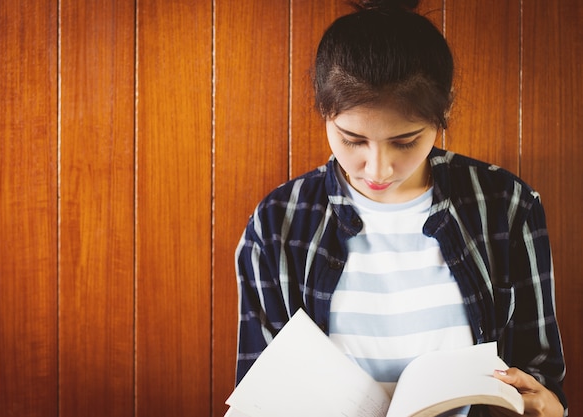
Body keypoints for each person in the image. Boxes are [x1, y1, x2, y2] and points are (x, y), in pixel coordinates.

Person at [234, 0, 567, 415]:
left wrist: (549, 405)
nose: (378, 168)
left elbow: (540, 375)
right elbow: (260, 392)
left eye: (405, 141)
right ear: (324, 113)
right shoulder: (278, 223)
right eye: (352, 140)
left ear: (441, 117)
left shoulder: (506, 204)